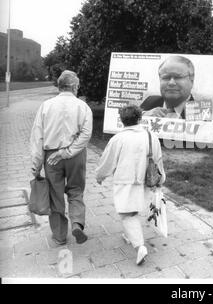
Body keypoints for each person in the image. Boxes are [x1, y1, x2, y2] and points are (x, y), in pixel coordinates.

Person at [95, 105, 166, 265]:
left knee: (126, 214)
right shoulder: (150, 136)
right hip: (145, 180)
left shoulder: (118, 139)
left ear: (122, 120)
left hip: (125, 181)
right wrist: (161, 179)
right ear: (140, 118)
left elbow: (108, 160)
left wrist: (100, 175)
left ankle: (140, 246)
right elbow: (158, 159)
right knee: (132, 210)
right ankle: (129, 235)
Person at [30, 70, 93, 245]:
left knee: (55, 195)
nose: (78, 89)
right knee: (76, 190)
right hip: (76, 155)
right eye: (78, 86)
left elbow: (37, 137)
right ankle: (77, 224)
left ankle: (59, 235)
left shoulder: (46, 106)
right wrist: (67, 152)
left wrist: (36, 166)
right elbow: (86, 135)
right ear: (73, 86)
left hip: (51, 157)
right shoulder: (83, 107)